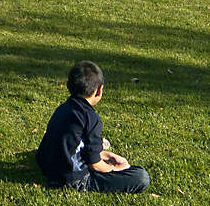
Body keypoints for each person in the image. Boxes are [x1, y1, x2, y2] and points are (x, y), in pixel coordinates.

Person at [35, 60, 148, 193]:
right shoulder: (90, 118)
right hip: (70, 178)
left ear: (67, 85)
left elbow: (73, 141)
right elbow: (95, 165)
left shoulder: (62, 108)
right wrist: (113, 169)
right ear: (99, 90)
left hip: (47, 167)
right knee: (141, 176)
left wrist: (104, 154)